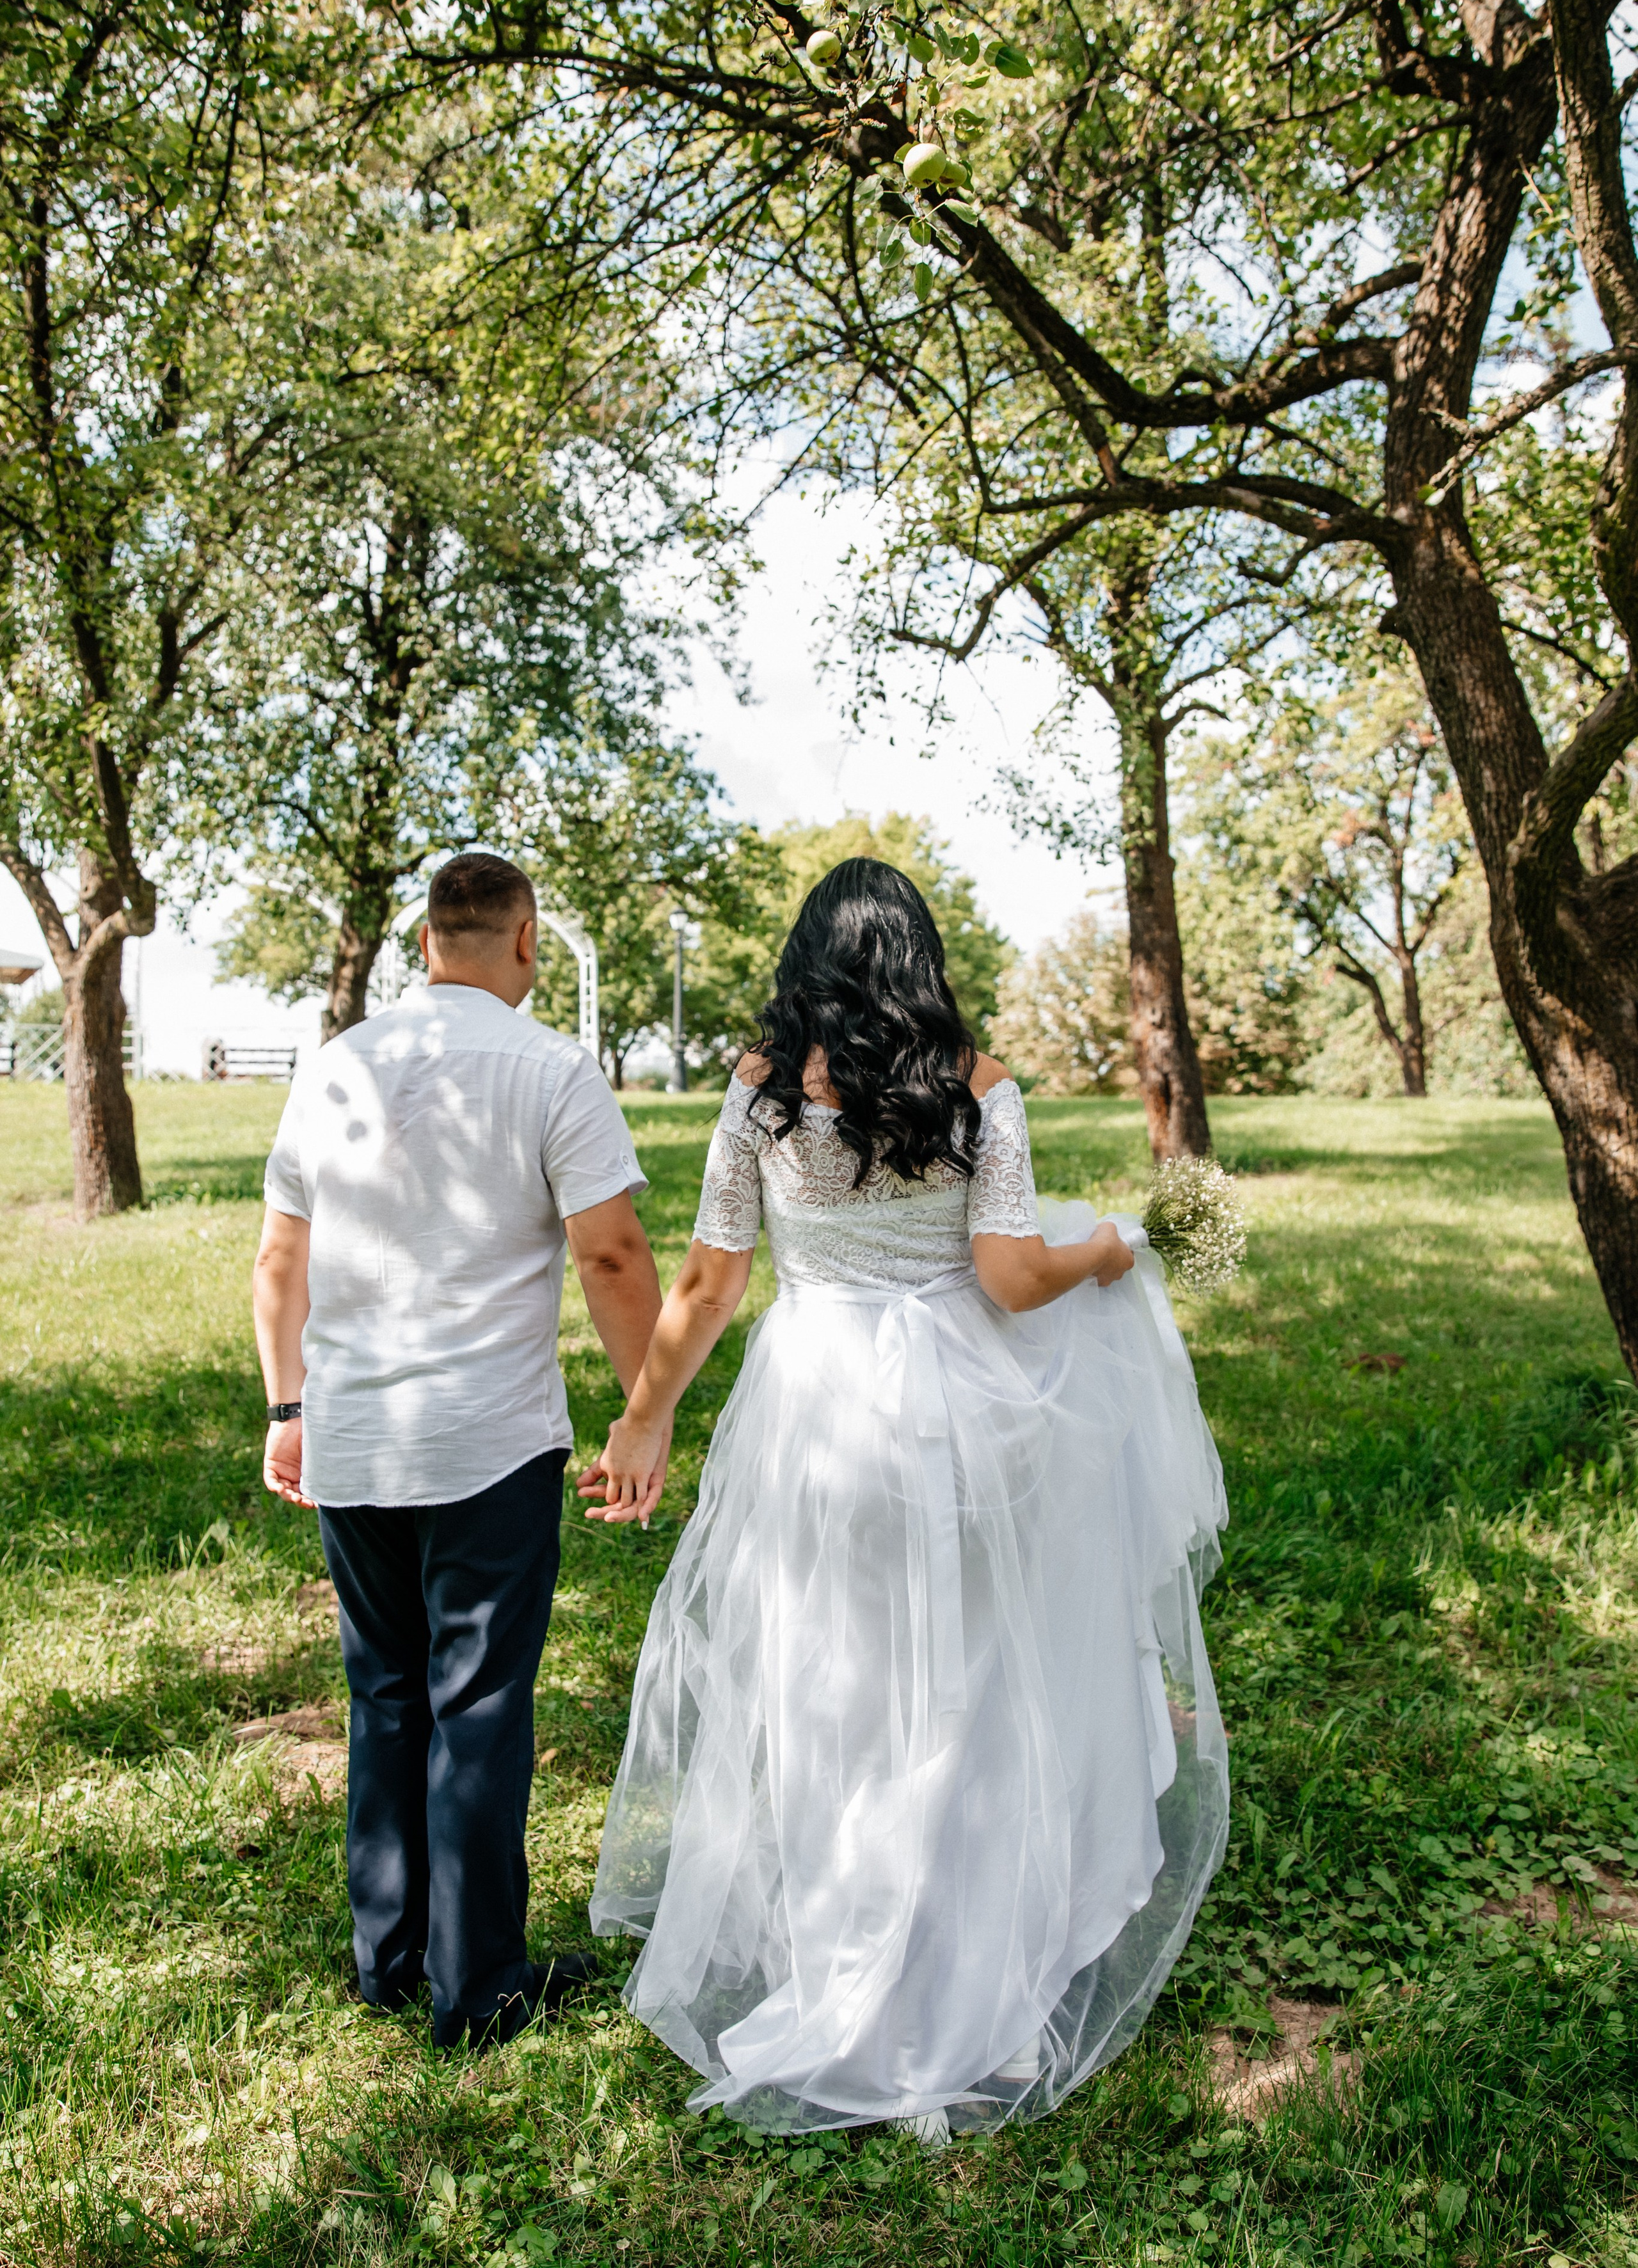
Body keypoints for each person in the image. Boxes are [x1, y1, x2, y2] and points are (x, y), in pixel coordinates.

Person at [583, 857, 1228, 2142]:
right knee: (973, 1691)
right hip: (963, 1422)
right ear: (919, 961)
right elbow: (1006, 1279)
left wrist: (642, 1415)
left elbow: (710, 1285)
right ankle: (965, 1984)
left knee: (829, 1686)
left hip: (815, 1413)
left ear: (807, 964)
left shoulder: (761, 1099)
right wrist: (1103, 1251)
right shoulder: (976, 1089)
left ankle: (841, 1967)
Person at [253, 851, 664, 2052]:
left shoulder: (333, 1070)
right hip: (488, 1443)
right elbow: (614, 1258)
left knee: (384, 1697)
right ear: (526, 940)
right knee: (478, 1707)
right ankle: (478, 1988)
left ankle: (388, 1960)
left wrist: (289, 1410)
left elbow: (281, 1259)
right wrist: (648, 1410)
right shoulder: (551, 1070)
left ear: (423, 943)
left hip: (353, 1435)